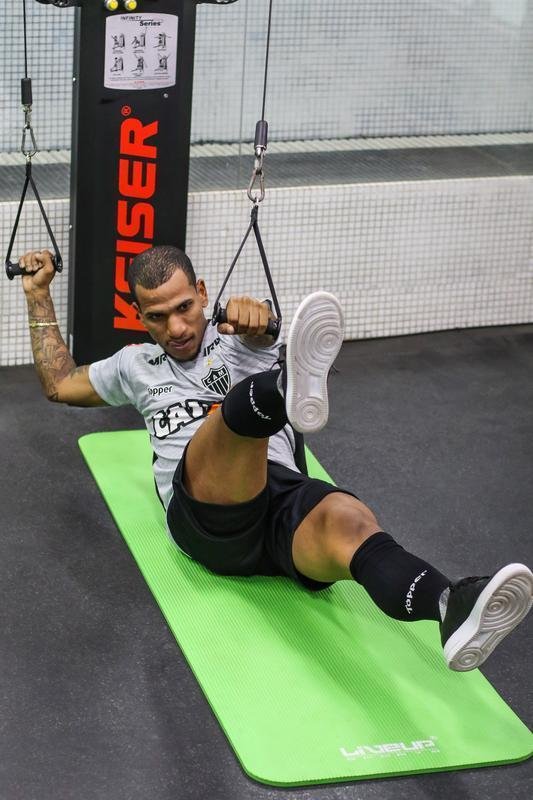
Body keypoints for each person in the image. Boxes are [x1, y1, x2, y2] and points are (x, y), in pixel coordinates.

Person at [20, 245, 532, 672]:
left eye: (184, 308)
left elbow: (259, 327)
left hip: (279, 510)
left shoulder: (242, 339)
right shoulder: (136, 364)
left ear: (202, 295)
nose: (175, 327)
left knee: (351, 524)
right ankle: (283, 388)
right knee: (226, 421)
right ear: (139, 316)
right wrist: (38, 293)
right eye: (157, 316)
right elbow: (60, 385)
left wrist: (264, 327)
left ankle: (449, 605)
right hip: (204, 517)